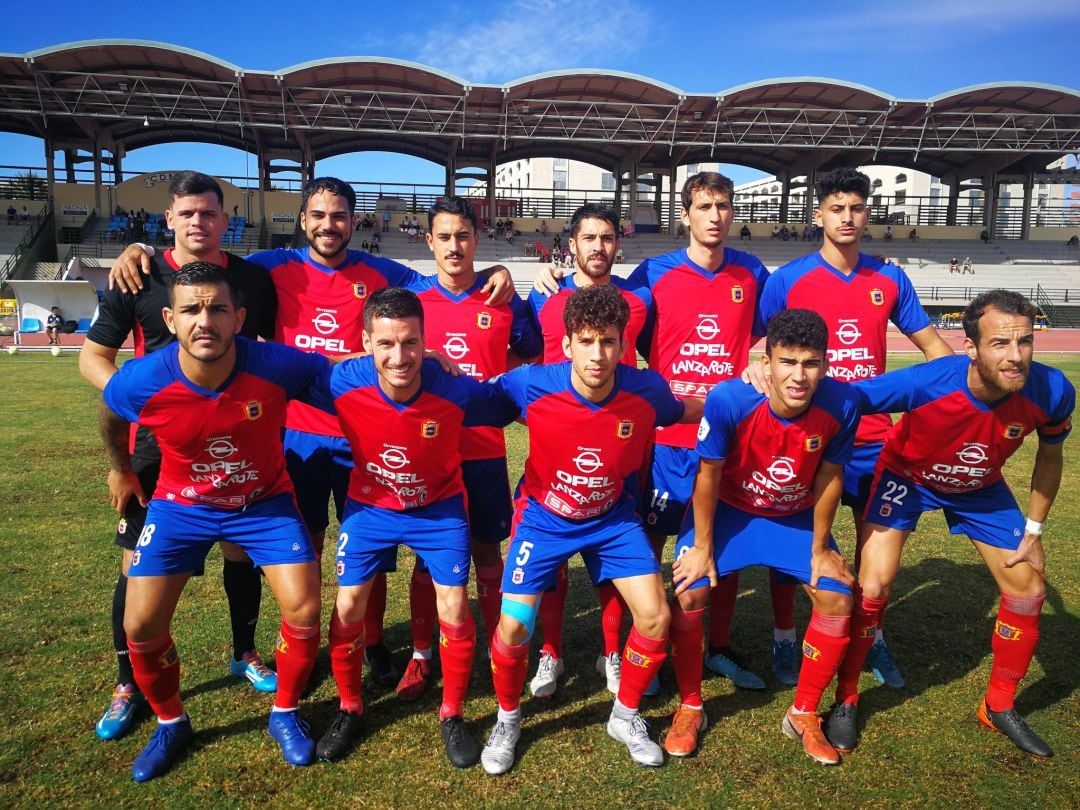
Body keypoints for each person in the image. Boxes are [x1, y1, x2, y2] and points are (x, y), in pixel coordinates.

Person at [110, 176, 515, 687]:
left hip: (357, 437)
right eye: (319, 216)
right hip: (295, 436)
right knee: (307, 549)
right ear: (303, 220)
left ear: (354, 222)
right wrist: (141, 247)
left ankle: (369, 645)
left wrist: (494, 270)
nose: (329, 225)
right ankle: (312, 646)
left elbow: (444, 281)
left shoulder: (383, 272)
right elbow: (207, 260)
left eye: (340, 216)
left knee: (370, 556)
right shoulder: (268, 267)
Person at [98, 262, 328, 781]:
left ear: (239, 317)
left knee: (305, 606)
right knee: (140, 623)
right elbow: (110, 412)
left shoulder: (274, 364)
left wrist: (407, 367)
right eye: (191, 310)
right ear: (170, 319)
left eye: (218, 309)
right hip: (181, 507)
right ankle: (171, 722)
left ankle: (286, 713)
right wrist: (120, 469)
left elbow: (328, 375)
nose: (206, 320)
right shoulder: (143, 379)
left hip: (264, 502)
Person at [825, 289, 1073, 760]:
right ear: (971, 347)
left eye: (1024, 342)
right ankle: (847, 696)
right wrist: (766, 379)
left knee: (1028, 589)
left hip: (980, 487)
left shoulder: (1053, 391)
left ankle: (998, 705)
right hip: (907, 477)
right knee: (873, 586)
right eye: (1000, 344)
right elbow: (846, 397)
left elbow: (1050, 456)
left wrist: (1034, 530)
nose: (1015, 356)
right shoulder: (928, 381)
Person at [81, 171, 278, 744]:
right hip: (155, 451)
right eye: (187, 213)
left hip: (238, 442)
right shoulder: (136, 274)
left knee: (241, 552)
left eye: (209, 213)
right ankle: (127, 683)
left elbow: (263, 355)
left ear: (226, 219)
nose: (198, 222)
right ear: (168, 219)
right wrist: (136, 399)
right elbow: (93, 358)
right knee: (134, 566)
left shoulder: (251, 280)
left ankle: (245, 652)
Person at [478, 284, 704, 774]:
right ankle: (508, 720)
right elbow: (471, 399)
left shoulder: (646, 389)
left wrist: (745, 393)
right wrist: (433, 363)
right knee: (514, 625)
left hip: (614, 522)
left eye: (608, 341)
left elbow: (686, 409)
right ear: (566, 345)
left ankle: (624, 716)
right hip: (543, 520)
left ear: (623, 346)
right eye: (586, 341)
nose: (597, 354)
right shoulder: (531, 384)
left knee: (654, 617)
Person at [760, 167, 953, 688]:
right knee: (798, 539)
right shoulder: (788, 281)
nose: (847, 218)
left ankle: (874, 639)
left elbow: (935, 351)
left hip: (873, 441)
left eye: (857, 208)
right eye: (837, 208)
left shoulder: (889, 279)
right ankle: (783, 638)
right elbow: (758, 352)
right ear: (817, 215)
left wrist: (957, 396)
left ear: (868, 214)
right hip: (808, 437)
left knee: (876, 550)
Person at [313, 287, 519, 767]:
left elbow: (509, 401)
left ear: (426, 341)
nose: (400, 356)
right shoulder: (344, 380)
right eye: (386, 344)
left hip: (439, 507)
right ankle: (349, 707)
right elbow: (287, 372)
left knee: (452, 604)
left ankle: (452, 712)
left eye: (410, 343)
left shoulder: (454, 387)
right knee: (347, 603)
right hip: (371, 506)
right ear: (367, 343)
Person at [667, 309, 860, 764]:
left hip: (793, 518)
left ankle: (804, 711)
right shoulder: (729, 399)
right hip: (732, 512)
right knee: (689, 590)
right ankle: (691, 705)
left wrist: (820, 548)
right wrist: (702, 546)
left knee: (836, 597)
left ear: (826, 363)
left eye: (810, 363)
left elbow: (830, 478)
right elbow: (707, 477)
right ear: (767, 360)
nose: (798, 376)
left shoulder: (843, 404)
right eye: (787, 362)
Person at [392, 196, 541, 703]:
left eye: (463, 236)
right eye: (444, 237)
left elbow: (532, 359)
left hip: (483, 452)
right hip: (427, 455)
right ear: (428, 241)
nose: (454, 247)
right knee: (425, 560)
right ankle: (421, 655)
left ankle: (498, 643)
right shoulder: (411, 302)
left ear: (477, 240)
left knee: (486, 553)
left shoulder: (504, 301)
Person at [525, 204, 653, 698]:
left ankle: (612, 653)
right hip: (558, 443)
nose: (598, 246)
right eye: (589, 238)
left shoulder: (638, 300)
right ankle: (551, 654)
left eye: (607, 237)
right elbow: (523, 358)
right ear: (571, 245)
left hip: (620, 439)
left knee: (612, 552)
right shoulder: (543, 297)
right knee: (553, 557)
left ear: (617, 244)